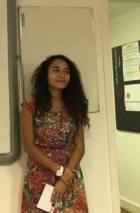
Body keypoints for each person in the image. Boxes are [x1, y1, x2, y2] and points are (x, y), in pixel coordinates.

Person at [21, 54, 89, 212]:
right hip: (41, 174)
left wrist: (64, 178)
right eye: (56, 70)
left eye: (66, 71)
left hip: (70, 174)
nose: (62, 75)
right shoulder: (31, 105)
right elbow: (29, 146)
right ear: (46, 75)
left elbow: (80, 147)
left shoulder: (75, 104)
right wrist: (59, 171)